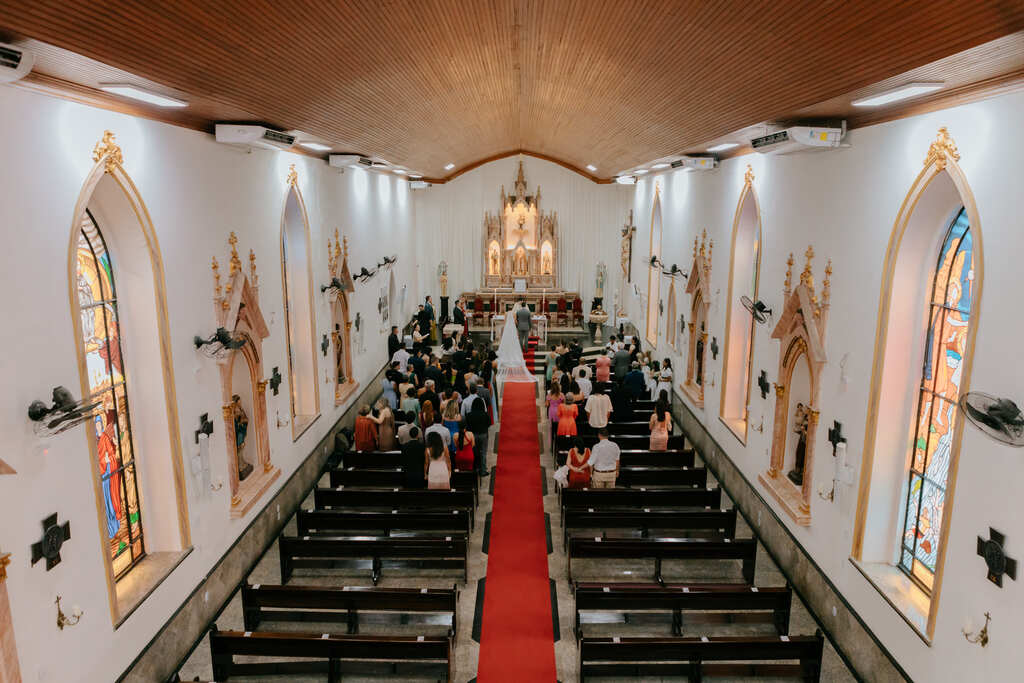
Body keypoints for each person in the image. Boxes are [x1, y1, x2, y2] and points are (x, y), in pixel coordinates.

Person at [466, 398, 490, 476]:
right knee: (483, 452)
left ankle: (475, 469)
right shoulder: (485, 414)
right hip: (483, 434)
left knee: (474, 452)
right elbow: (489, 423)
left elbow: (468, 425)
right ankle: (483, 470)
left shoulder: (469, 415)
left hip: (473, 435)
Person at [556, 394, 579, 463]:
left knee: (562, 439)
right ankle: (570, 453)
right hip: (571, 423)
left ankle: (561, 453)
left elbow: (559, 415)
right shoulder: (575, 406)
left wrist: (564, 418)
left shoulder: (560, 406)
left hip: (562, 423)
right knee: (571, 439)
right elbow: (576, 415)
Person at [546, 383, 564, 452]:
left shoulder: (549, 395)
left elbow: (547, 404)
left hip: (552, 411)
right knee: (559, 426)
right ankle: (559, 443)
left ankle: (551, 444)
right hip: (559, 411)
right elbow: (563, 403)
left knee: (551, 427)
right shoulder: (561, 394)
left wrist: (550, 403)